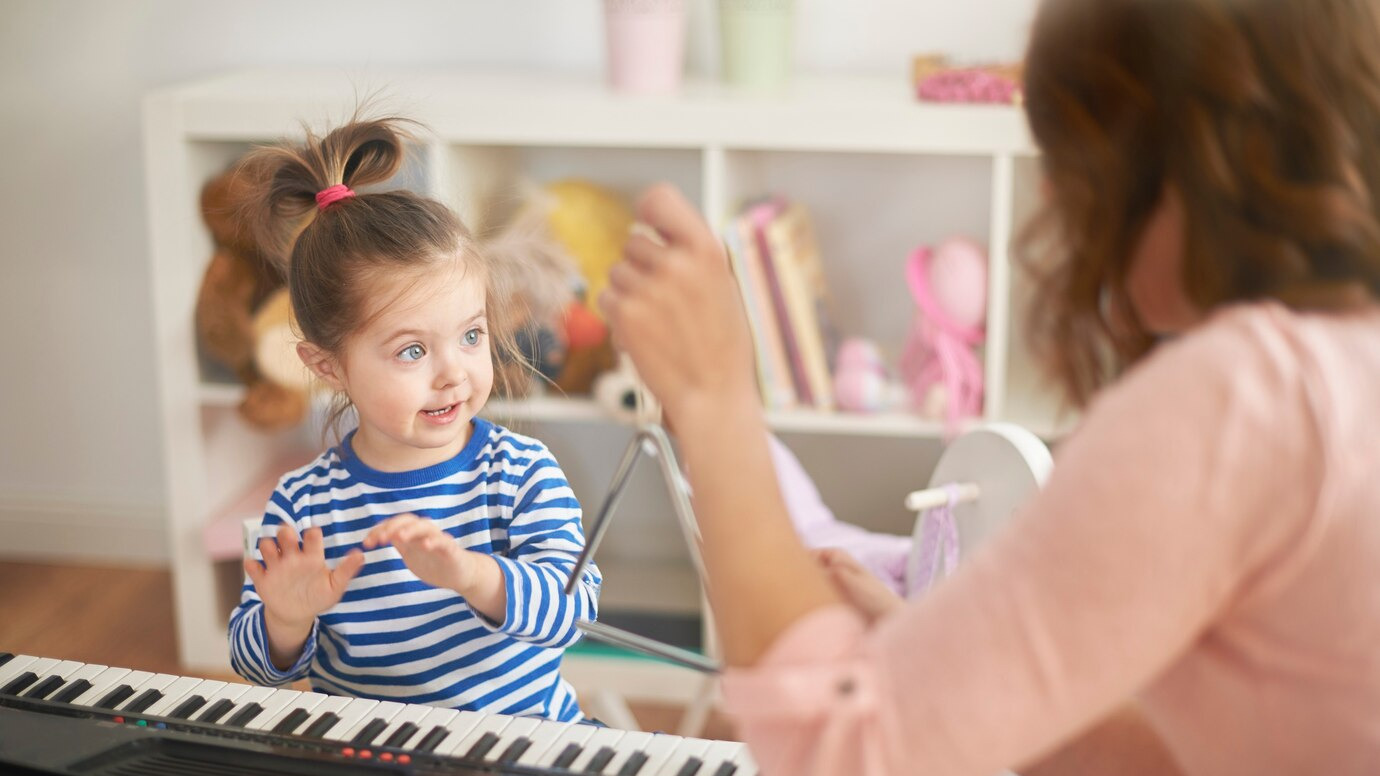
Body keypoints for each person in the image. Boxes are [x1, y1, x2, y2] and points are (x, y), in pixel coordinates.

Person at [598, 0, 1380, 772]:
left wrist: (713, 402)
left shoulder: (1242, 396)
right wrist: (940, 662)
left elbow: (838, 751)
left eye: (1073, 154)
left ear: (1188, 150)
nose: (1052, 200)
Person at [228, 117, 601, 722]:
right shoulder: (302, 504)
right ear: (327, 366)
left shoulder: (521, 471)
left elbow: (573, 613)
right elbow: (253, 664)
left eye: (471, 335)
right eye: (412, 351)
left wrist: (474, 575)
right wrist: (285, 620)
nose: (453, 373)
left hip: (521, 748)